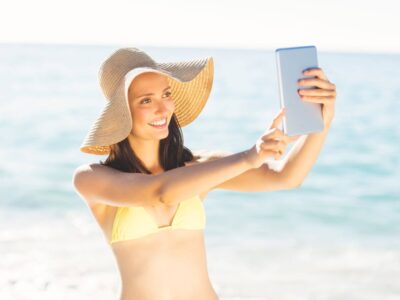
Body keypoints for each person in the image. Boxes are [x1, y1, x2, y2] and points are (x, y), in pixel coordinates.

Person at [72, 47, 337, 299]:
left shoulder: (197, 169)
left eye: (166, 94)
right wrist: (249, 157)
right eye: (146, 100)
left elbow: (286, 176)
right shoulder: (92, 179)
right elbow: (159, 192)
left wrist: (324, 119)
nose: (164, 109)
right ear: (121, 114)